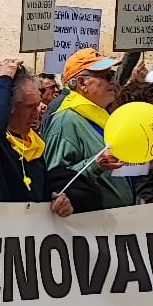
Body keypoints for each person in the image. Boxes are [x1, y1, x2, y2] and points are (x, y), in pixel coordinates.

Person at [0, 59, 73, 215]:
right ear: (9, 107)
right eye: (30, 107)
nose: (37, 114)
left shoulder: (33, 142)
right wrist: (3, 80)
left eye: (37, 105)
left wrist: (55, 199)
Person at [44, 49, 132, 211]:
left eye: (112, 74)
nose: (113, 81)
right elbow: (55, 181)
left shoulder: (100, 117)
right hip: (89, 221)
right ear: (82, 83)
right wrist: (96, 165)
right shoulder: (67, 120)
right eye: (107, 76)